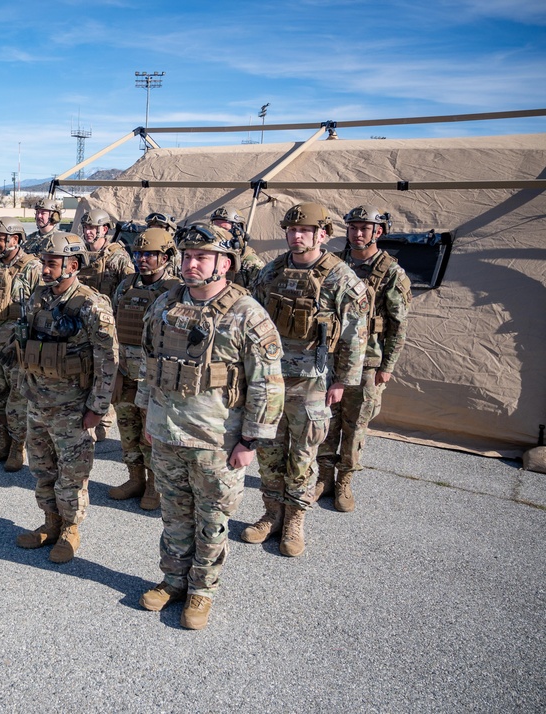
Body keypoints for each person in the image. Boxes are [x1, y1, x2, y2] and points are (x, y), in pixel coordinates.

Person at [137, 223, 284, 630]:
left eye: (201, 256)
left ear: (226, 263)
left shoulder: (246, 314)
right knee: (174, 514)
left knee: (212, 519)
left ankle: (202, 590)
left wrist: (250, 440)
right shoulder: (164, 305)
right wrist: (149, 415)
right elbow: (148, 364)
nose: (190, 263)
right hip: (167, 433)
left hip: (217, 441)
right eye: (186, 256)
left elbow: (267, 383)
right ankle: (172, 580)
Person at [245, 203, 369, 557]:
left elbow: (355, 337)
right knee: (268, 452)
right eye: (291, 230)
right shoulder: (271, 272)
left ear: (323, 235)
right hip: (271, 381)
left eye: (304, 231)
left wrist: (343, 382)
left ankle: (295, 520)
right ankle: (271, 514)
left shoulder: (341, 278)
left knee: (302, 456)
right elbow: (251, 321)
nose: (296, 236)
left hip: (313, 383)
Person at [14, 232, 117, 563]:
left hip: (72, 407)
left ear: (73, 265)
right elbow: (23, 339)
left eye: (52, 263)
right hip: (37, 402)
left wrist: (97, 408)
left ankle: (71, 529)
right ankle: (50, 523)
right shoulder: (38, 298)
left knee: (72, 473)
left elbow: (108, 359)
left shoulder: (90, 304)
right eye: (44, 262)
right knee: (42, 469)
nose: (45, 269)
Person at [315, 205, 412, 511]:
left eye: (364, 228)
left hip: (369, 361)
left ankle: (344, 483)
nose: (357, 233)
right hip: (332, 358)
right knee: (327, 421)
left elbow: (398, 324)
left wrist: (388, 366)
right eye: (353, 227)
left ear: (378, 232)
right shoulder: (334, 264)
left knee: (355, 425)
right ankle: (324, 478)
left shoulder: (390, 272)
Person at [108, 227, 179, 510]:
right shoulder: (126, 285)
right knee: (127, 431)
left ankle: (153, 484)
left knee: (150, 434)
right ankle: (134, 478)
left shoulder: (174, 291)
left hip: (152, 377)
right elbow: (112, 323)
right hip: (125, 373)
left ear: (166, 257)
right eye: (138, 253)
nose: (143, 259)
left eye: (150, 254)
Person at [0, 216, 42, 472]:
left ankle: (18, 447)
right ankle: (3, 442)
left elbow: (42, 306)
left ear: (15, 240)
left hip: (16, 346)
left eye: (1, 239)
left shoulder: (32, 267)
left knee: (18, 399)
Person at [78, 207, 135, 442]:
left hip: (108, 325)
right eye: (86, 227)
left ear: (105, 230)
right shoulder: (81, 255)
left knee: (107, 371)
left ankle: (105, 419)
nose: (88, 232)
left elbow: (130, 288)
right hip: (84, 324)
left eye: (92, 228)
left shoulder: (118, 257)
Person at [209, 205, 265, 290]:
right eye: (215, 229)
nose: (218, 234)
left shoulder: (251, 264)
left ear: (238, 232)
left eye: (224, 229)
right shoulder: (208, 258)